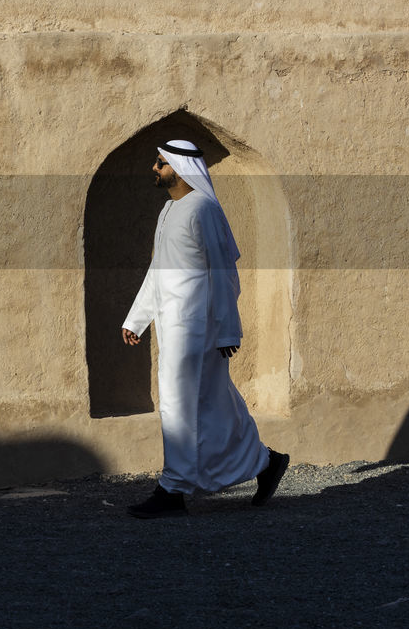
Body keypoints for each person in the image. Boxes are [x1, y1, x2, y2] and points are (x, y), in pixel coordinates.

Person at [120, 139, 288, 518]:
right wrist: (137, 318)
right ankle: (265, 463)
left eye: (161, 163)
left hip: (199, 328)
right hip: (171, 327)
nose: (155, 168)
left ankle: (172, 490)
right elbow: (158, 271)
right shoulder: (168, 211)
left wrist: (229, 330)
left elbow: (224, 272)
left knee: (179, 407)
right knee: (212, 405)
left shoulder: (204, 209)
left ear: (179, 168)